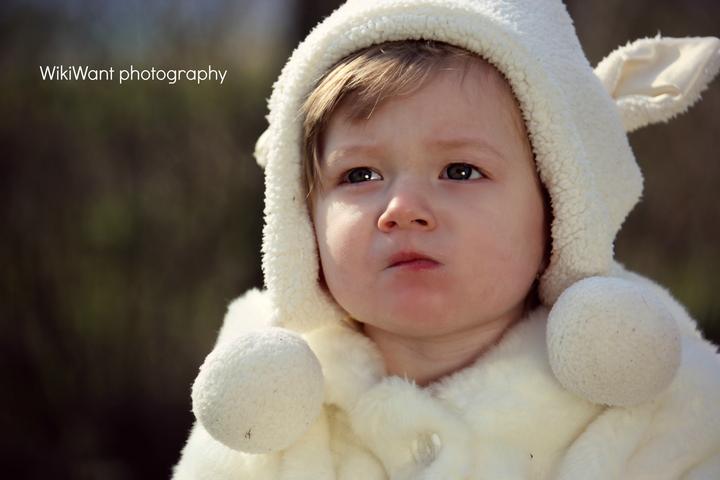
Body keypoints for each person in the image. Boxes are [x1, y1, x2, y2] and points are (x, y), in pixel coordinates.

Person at [173, 1, 720, 478]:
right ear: (301, 217)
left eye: (460, 171)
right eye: (360, 175)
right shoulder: (262, 413)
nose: (402, 210)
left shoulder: (664, 410)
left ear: (560, 203)